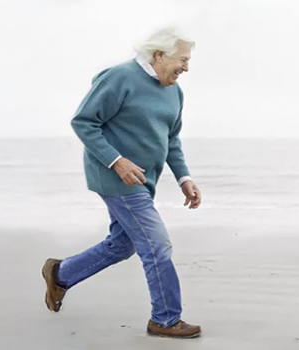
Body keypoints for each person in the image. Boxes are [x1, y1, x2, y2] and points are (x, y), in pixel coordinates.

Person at [39, 27, 204, 339]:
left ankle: (61, 274)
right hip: (116, 177)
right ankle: (165, 319)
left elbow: (171, 138)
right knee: (156, 245)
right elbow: (84, 122)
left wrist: (184, 178)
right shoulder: (120, 78)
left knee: (124, 244)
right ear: (159, 55)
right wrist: (117, 160)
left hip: (144, 180)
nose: (186, 67)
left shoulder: (173, 91)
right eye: (182, 59)